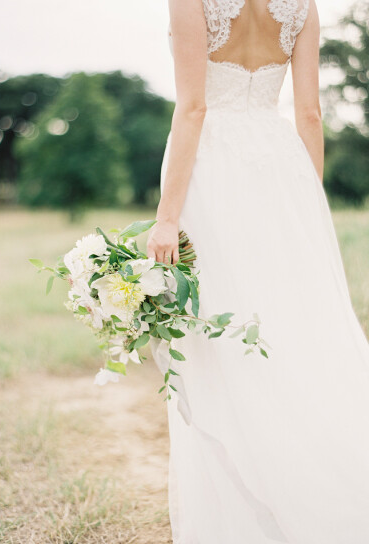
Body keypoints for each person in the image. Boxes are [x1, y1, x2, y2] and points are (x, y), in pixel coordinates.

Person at [147, 1, 369, 542]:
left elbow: (193, 109)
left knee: (217, 334)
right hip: (280, 169)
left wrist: (167, 219)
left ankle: (249, 508)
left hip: (214, 169)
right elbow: (310, 114)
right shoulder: (302, 5)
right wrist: (307, 207)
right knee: (292, 327)